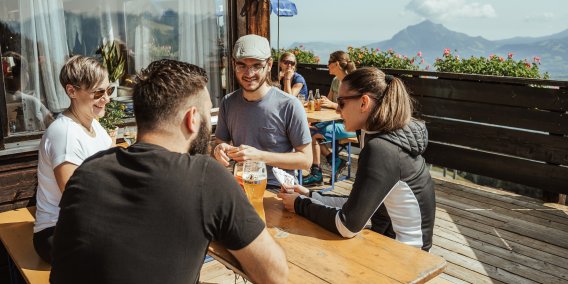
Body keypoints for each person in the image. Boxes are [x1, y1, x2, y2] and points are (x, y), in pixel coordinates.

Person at [50, 59, 288, 284]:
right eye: (207, 114)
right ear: (192, 119)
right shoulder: (206, 177)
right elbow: (275, 276)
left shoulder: (88, 171)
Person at [278, 67, 436, 251]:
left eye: (341, 102)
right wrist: (309, 195)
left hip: (407, 256)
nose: (337, 109)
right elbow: (356, 206)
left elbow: (347, 225)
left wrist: (299, 205)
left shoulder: (382, 149)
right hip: (391, 241)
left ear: (364, 103)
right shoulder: (383, 136)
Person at [33, 55, 113, 264]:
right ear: (72, 91)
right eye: (98, 93)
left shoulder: (95, 126)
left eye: (108, 90)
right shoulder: (64, 134)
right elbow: (74, 197)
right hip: (57, 231)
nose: (107, 99)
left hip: (87, 223)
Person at [214, 34, 312, 189]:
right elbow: (220, 141)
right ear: (233, 64)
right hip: (239, 185)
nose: (249, 73)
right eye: (242, 65)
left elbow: (306, 160)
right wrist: (218, 149)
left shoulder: (289, 105)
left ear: (270, 64)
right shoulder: (228, 102)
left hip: (278, 190)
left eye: (256, 66)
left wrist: (260, 157)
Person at [303, 50, 357, 185]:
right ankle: (333, 161)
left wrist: (332, 104)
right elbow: (331, 103)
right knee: (310, 130)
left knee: (313, 133)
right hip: (336, 121)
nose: (327, 65)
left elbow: (350, 108)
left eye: (329, 63)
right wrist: (322, 102)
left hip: (350, 125)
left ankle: (317, 173)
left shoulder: (352, 82)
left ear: (337, 64)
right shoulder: (335, 81)